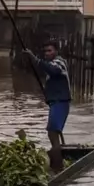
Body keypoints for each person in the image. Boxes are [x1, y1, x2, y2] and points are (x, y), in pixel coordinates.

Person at [23, 42, 71, 171]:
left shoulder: (60, 62)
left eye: (49, 51)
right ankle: (57, 161)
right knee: (52, 133)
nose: (46, 53)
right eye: (45, 51)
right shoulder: (51, 65)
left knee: (53, 133)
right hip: (55, 103)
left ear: (56, 51)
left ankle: (57, 166)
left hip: (61, 102)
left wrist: (34, 58)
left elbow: (52, 69)